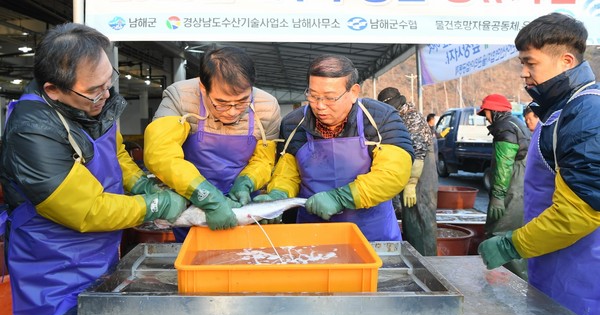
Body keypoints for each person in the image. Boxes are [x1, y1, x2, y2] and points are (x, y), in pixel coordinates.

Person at [0, 23, 186, 315]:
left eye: (107, 81)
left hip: (102, 246)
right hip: (52, 262)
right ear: (53, 90)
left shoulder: (94, 104)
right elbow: (88, 209)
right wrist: (155, 205)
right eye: (93, 90)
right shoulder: (32, 131)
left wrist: (139, 182)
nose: (105, 94)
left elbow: (117, 155)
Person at [478, 13, 600, 315]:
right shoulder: (560, 109)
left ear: (566, 61)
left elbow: (580, 212)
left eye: (531, 63)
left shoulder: (585, 114)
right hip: (553, 262)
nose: (524, 73)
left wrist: (511, 244)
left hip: (582, 275)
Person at [254, 54, 414, 241]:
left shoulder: (381, 118)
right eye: (313, 96)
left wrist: (340, 198)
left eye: (330, 98)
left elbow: (393, 174)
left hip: (372, 234)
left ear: (353, 92)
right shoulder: (294, 123)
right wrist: (278, 196)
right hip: (312, 235)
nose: (320, 106)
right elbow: (287, 174)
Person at [143, 45, 282, 241]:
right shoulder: (180, 98)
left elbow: (264, 160)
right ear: (203, 88)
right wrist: (206, 196)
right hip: (190, 199)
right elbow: (160, 154)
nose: (233, 111)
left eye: (242, 101)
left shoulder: (267, 107)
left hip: (240, 203)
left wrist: (246, 183)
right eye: (222, 103)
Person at [377, 88, 438, 256]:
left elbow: (418, 153)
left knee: (422, 221)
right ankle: (417, 260)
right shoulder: (403, 117)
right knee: (412, 221)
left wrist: (411, 183)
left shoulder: (411, 118)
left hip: (420, 181)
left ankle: (426, 264)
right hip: (414, 177)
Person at [477, 94, 530, 280]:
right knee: (514, 232)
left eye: (486, 113)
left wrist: (498, 196)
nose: (486, 117)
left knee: (499, 233)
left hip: (511, 186)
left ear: (494, 111)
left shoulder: (504, 128)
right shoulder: (516, 123)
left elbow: (504, 165)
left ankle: (505, 286)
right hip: (521, 183)